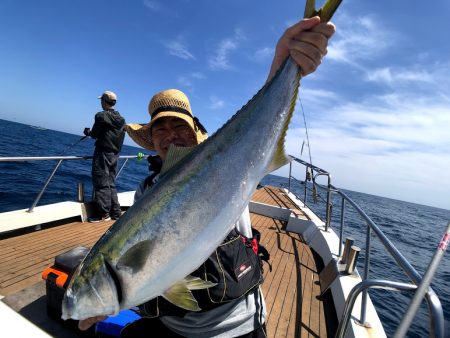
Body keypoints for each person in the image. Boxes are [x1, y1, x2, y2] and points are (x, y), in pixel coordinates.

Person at [79, 16, 335, 336]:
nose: (169, 135)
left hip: (235, 325)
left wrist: (284, 64)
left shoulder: (221, 164)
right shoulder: (147, 190)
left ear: (194, 133)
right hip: (175, 327)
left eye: (178, 126)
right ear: (152, 139)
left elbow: (247, 137)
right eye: (161, 128)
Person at [83, 91, 126, 222]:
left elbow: (95, 134)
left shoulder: (101, 116)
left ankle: (103, 214)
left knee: (101, 182)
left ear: (104, 102)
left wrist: (88, 132)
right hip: (115, 155)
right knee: (111, 183)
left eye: (101, 100)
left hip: (103, 153)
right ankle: (116, 212)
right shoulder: (121, 119)